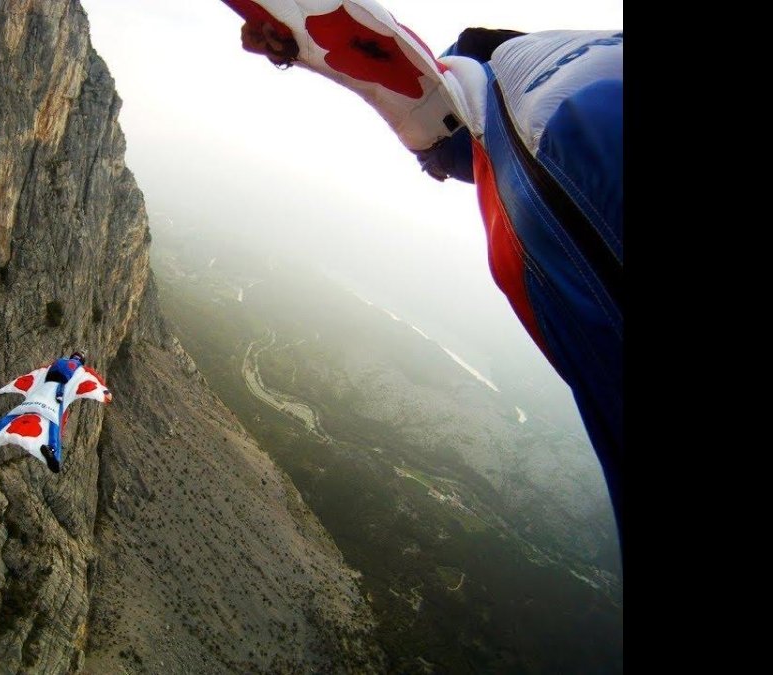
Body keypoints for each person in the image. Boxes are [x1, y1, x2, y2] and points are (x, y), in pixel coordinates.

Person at [221, 1, 624, 536]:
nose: (439, 176)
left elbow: (449, 111)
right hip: (553, 119)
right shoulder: (538, 91)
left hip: (556, 142)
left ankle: (443, 113)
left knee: (466, 150)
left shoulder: (521, 124)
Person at [0, 350, 112, 473]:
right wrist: (105, 393)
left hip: (36, 396)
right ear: (81, 360)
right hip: (55, 400)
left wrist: (3, 390)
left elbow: (28, 377)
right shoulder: (81, 371)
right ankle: (52, 451)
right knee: (54, 424)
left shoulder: (51, 366)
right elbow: (94, 381)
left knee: (13, 416)